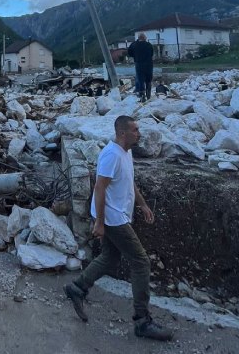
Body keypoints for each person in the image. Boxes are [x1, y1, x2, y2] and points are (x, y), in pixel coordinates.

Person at [64, 116, 173, 342]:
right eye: (135, 130)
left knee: (110, 257)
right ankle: (142, 321)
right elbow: (99, 188)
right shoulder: (111, 155)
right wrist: (100, 222)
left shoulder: (126, 152)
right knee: (141, 262)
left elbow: (128, 181)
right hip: (112, 219)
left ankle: (77, 288)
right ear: (122, 133)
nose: (139, 133)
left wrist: (142, 204)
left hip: (117, 215)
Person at [128, 33, 154, 101]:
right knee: (148, 80)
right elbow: (151, 53)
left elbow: (129, 52)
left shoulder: (134, 44)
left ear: (139, 38)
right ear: (144, 38)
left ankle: (142, 96)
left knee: (140, 80)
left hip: (139, 64)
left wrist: (135, 56)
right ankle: (148, 95)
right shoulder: (148, 45)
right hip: (149, 64)